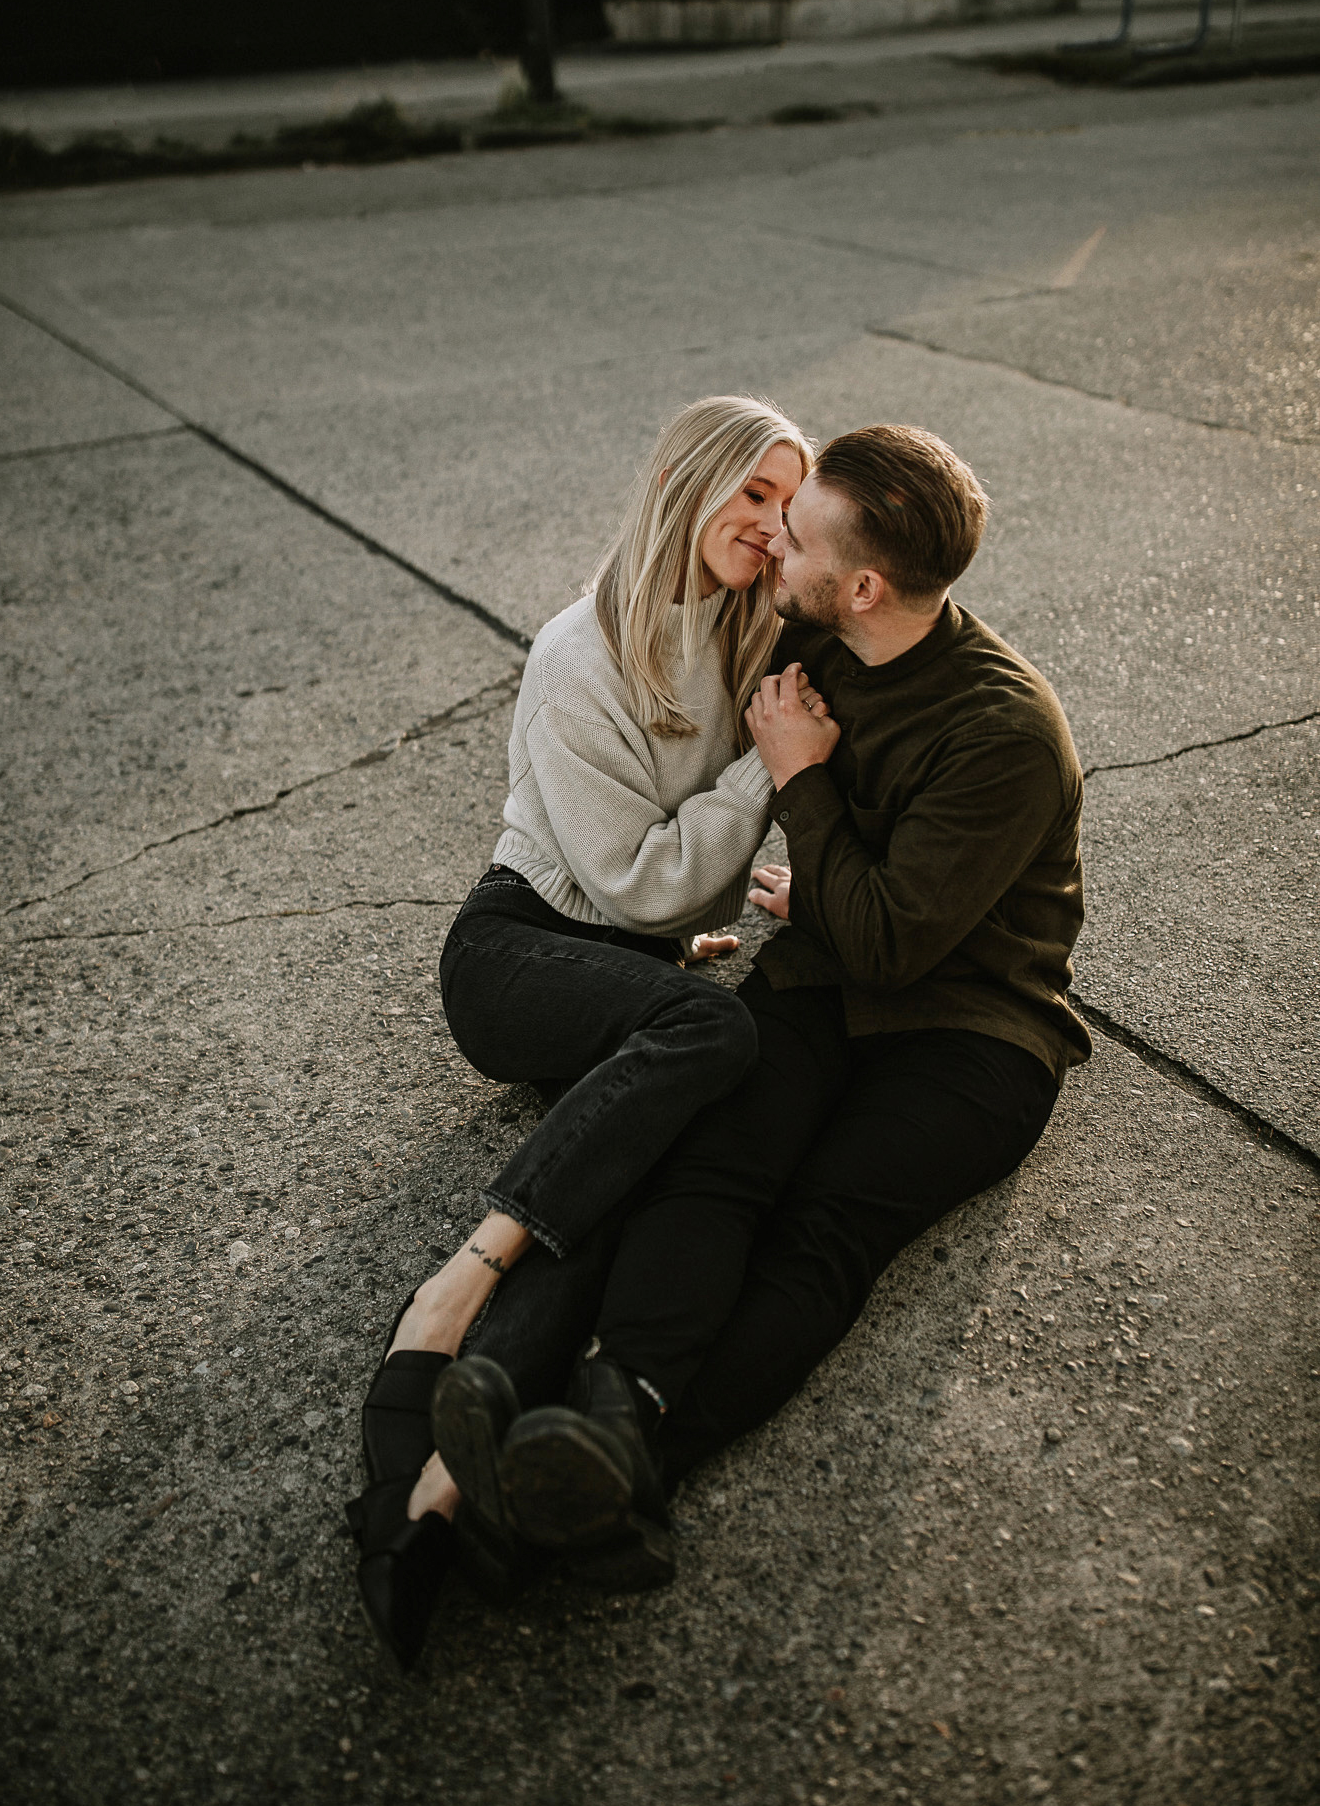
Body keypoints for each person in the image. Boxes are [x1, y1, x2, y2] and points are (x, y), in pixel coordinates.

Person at [434, 423, 1091, 1594]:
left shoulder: (1006, 733)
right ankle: (598, 1403)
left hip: (974, 1032)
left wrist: (800, 781)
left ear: (865, 582)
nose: (777, 547)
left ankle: (629, 1459)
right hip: (825, 967)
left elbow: (895, 945)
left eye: (799, 536)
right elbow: (677, 602)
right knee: (715, 1164)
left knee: (821, 1223)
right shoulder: (818, 629)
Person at [346, 394, 818, 1666]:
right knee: (716, 1045)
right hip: (511, 955)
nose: (773, 527)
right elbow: (633, 879)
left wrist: (676, 937)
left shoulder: (749, 623)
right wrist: (768, 769)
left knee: (635, 1162)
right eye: (753, 494)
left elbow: (664, 896)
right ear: (681, 478)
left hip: (622, 957)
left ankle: (432, 1479)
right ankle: (466, 1274)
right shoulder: (580, 654)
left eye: (791, 502)